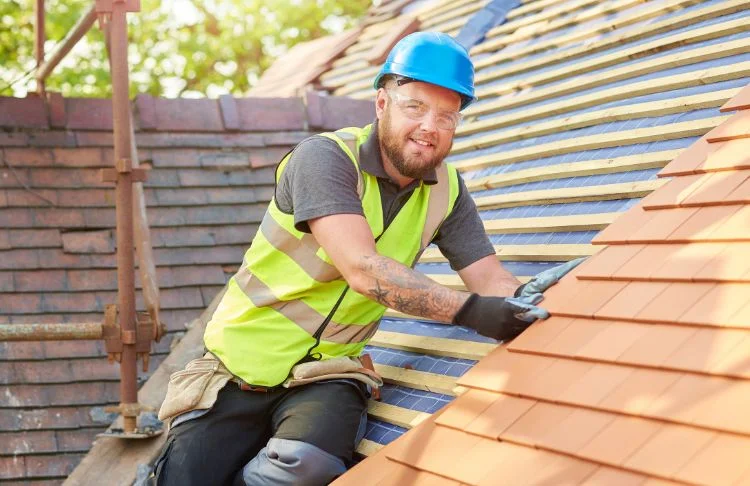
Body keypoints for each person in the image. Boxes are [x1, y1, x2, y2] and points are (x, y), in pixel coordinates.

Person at [150, 31, 581, 486]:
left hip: (328, 372)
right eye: (414, 107)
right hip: (236, 369)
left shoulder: (449, 191)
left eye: (447, 117)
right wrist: (473, 314)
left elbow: (489, 276)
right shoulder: (325, 160)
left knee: (304, 466)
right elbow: (361, 268)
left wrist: (522, 300)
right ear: (381, 104)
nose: (429, 127)